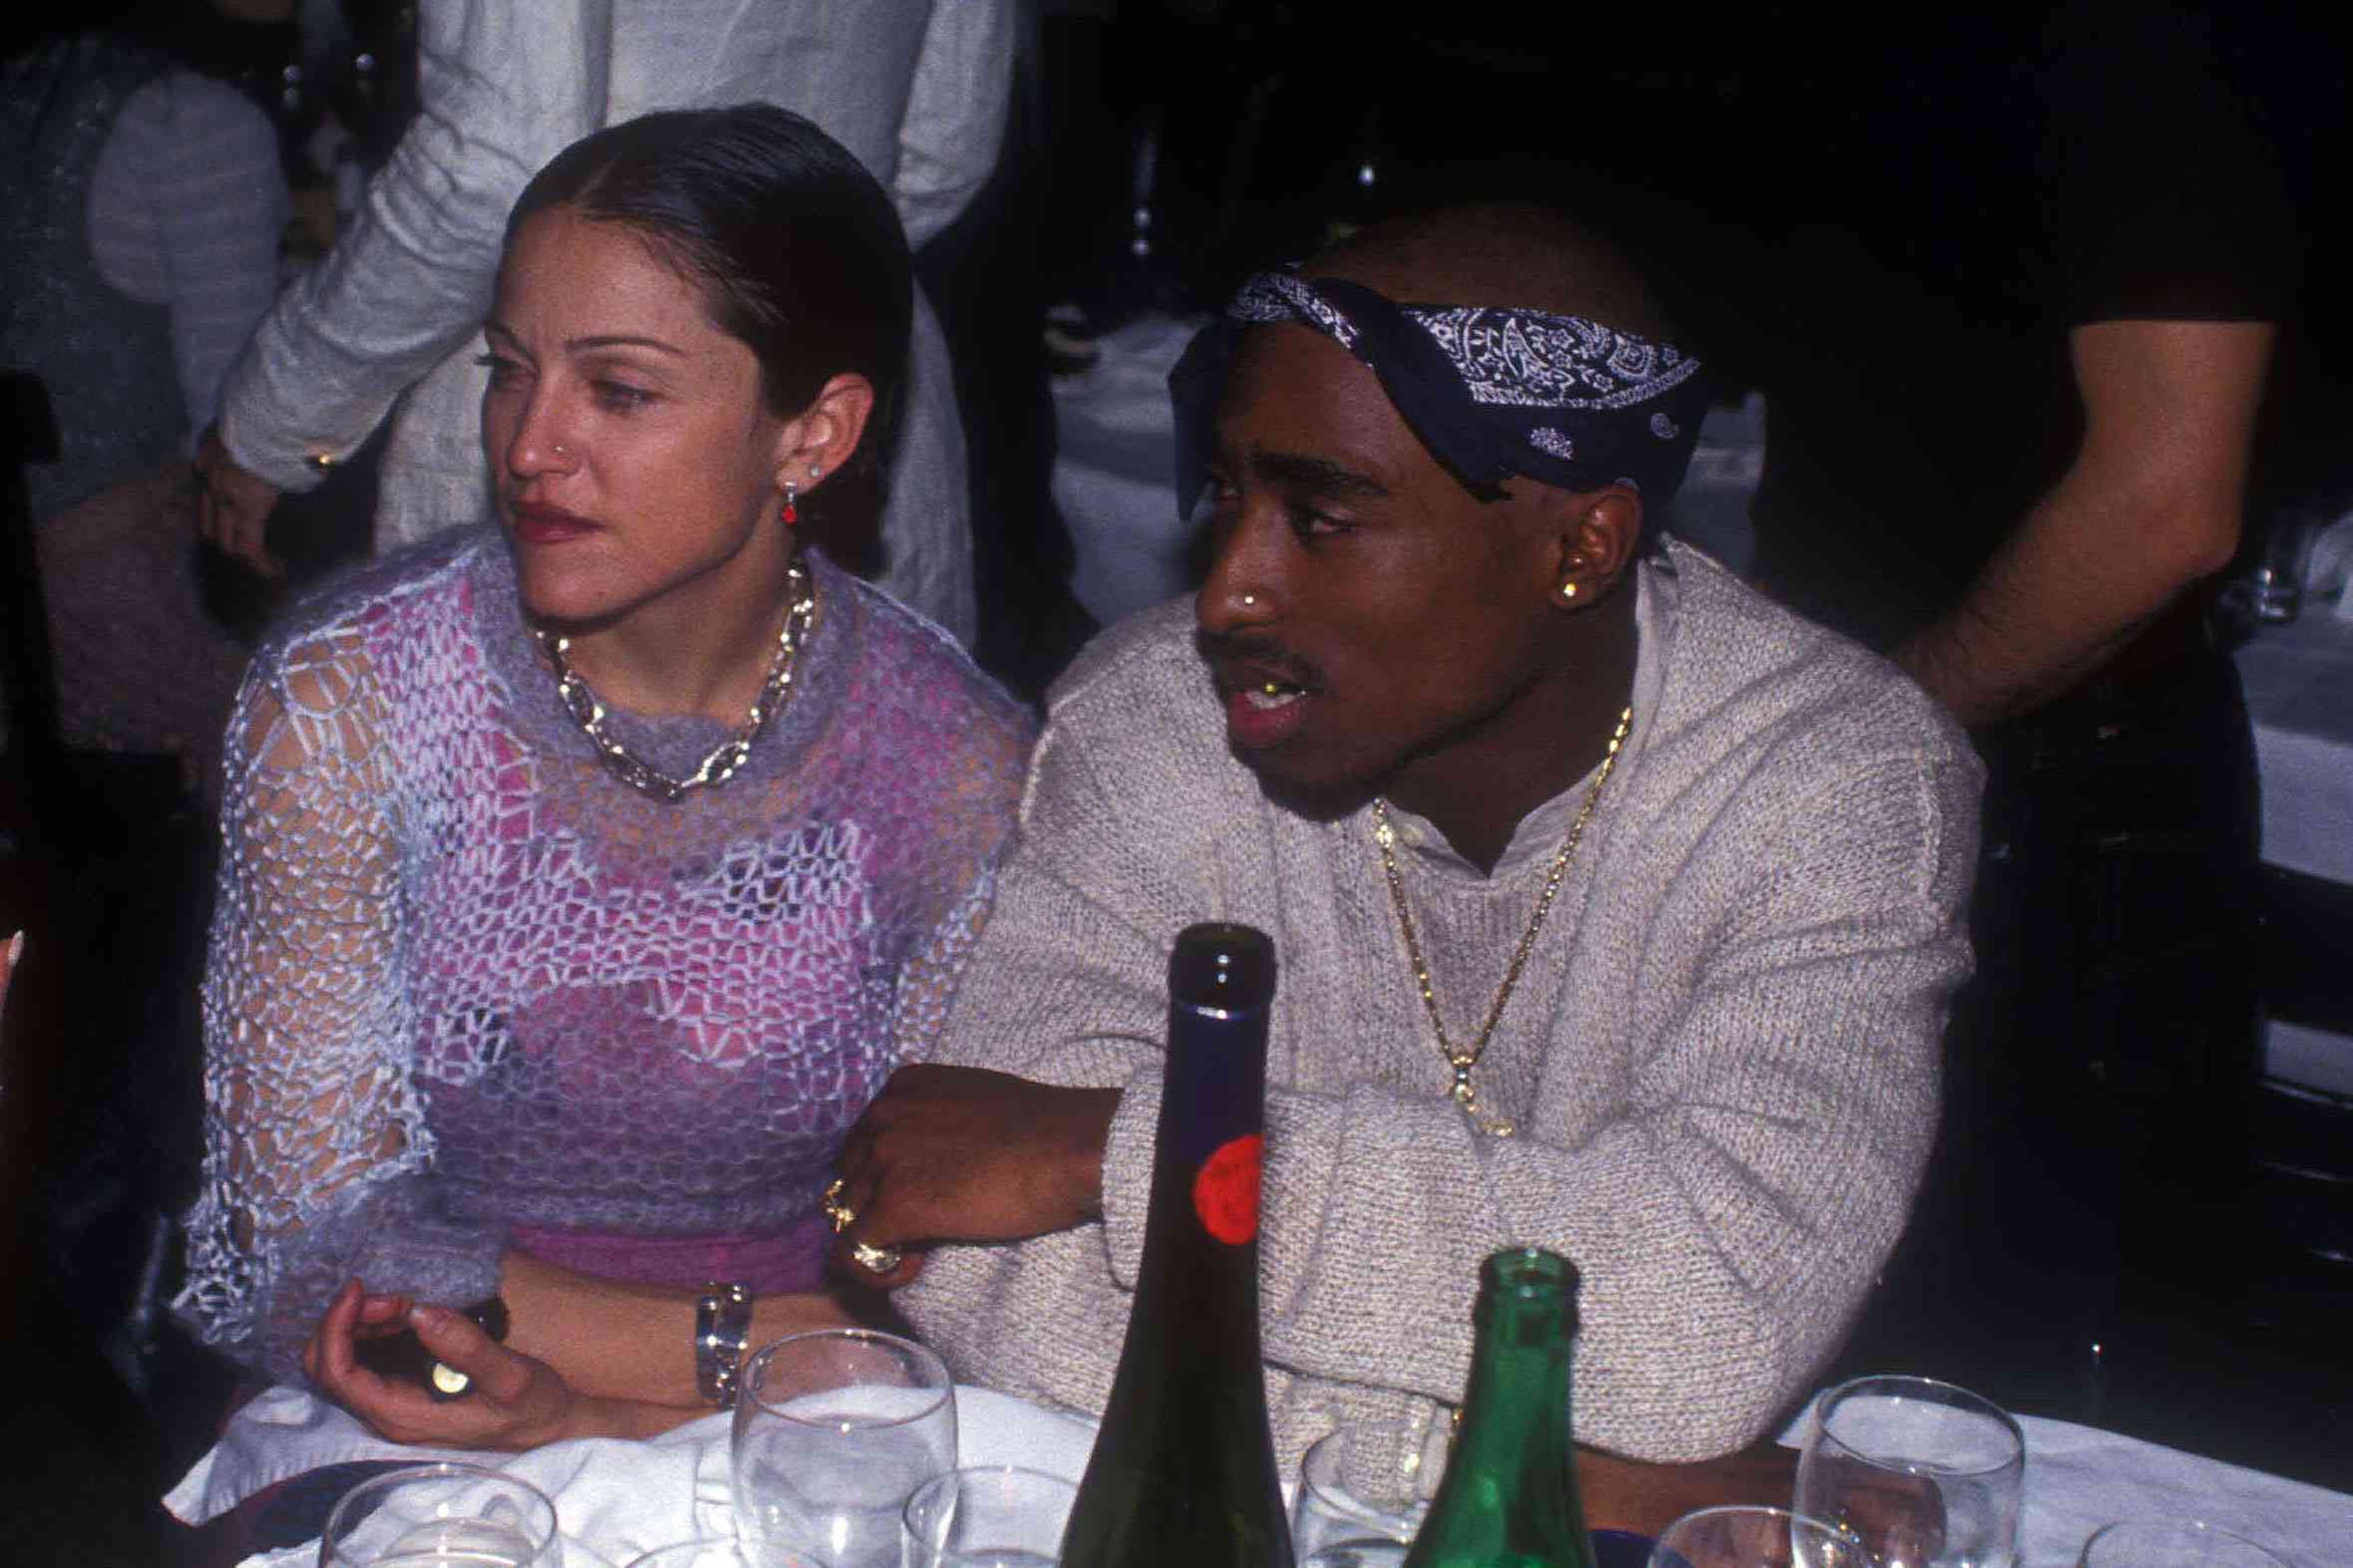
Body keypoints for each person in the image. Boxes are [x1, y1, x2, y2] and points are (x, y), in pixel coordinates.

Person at [826, 205, 1982, 1473]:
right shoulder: (1154, 725)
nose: (1228, 589)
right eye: (1226, 494)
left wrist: (1122, 1151)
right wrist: (1528, 1474)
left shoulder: (1835, 781)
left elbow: (1705, 1310)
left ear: (1580, 544)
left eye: (1323, 514)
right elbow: (995, 1282)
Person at [168, 105, 1034, 1527]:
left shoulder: (956, 765)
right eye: (512, 374)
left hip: (822, 1441)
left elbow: (964, 1271)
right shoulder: (353, 702)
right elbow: (321, 1231)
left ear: (811, 433)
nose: (529, 446)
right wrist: (748, 1344)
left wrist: (635, 1393)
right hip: (419, 1416)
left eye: (619, 391)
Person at [195, 0, 1014, 646]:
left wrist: (279, 410)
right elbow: (946, 145)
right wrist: (776, 317)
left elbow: (492, 169)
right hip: (829, 388)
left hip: (585, 403)